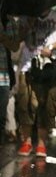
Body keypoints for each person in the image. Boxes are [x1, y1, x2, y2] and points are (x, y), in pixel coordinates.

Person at [15, 8, 56, 157]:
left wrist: (52, 47)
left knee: (47, 105)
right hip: (28, 67)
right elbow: (17, 39)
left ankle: (41, 143)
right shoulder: (26, 17)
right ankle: (26, 141)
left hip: (49, 67)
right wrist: (28, 25)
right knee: (25, 103)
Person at [0, 13, 19, 145]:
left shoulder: (8, 20)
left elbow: (14, 46)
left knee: (2, 110)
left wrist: (2, 37)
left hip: (3, 72)